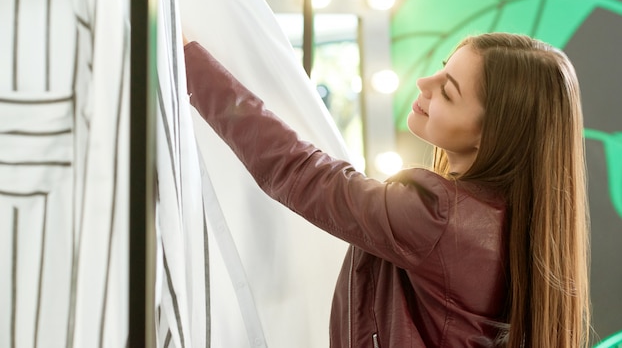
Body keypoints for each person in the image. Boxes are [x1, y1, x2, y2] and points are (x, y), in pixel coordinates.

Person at [183, 32, 590, 347]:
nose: (424, 82)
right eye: (443, 66)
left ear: (490, 134)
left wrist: (186, 60)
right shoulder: (522, 223)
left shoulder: (437, 216)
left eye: (447, 91)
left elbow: (297, 169)